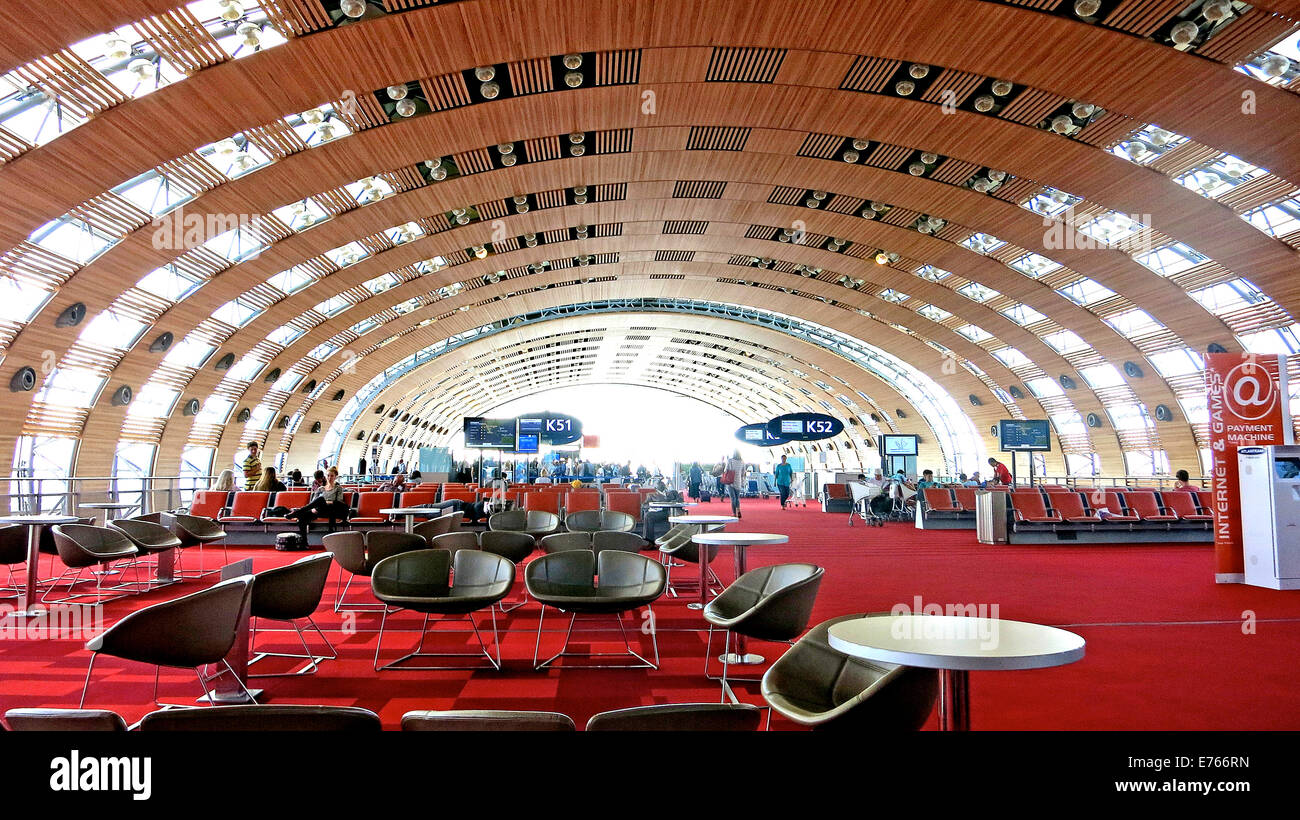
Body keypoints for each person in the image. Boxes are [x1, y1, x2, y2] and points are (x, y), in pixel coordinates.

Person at [288, 467, 348, 539]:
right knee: (302, 517)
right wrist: (313, 508)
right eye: (328, 475)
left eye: (332, 476)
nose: (329, 478)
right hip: (319, 510)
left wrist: (325, 502)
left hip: (331, 510)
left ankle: (297, 512)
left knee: (320, 499)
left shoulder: (338, 488)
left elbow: (339, 501)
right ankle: (304, 542)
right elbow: (313, 502)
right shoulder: (321, 488)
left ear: (336, 477)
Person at [716, 450, 746, 519]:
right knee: (737, 498)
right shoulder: (742, 461)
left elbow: (726, 470)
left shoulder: (730, 460)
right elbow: (743, 472)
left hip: (730, 481)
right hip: (738, 481)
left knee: (733, 498)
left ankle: (734, 513)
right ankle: (738, 510)